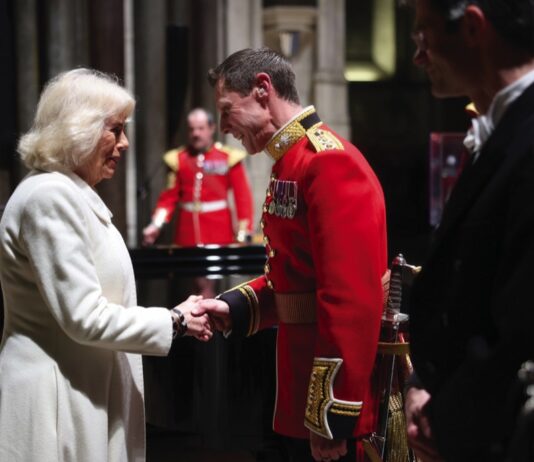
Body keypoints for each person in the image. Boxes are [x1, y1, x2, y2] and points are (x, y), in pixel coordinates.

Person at [0, 69, 212, 461]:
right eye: (115, 129)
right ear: (77, 130)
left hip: (81, 389)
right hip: (57, 402)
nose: (125, 142)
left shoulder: (70, 194)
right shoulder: (50, 197)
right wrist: (174, 321)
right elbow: (84, 316)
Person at [194, 47, 388, 461]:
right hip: (298, 387)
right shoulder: (291, 161)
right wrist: (237, 308)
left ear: (263, 89)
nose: (224, 127)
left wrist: (331, 415)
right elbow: (293, 276)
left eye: (227, 111)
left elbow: (349, 298)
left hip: (332, 403)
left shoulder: (328, 163)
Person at [402, 1, 534, 461]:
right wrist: (424, 385)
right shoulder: (501, 127)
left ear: (473, 27)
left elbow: (520, 322)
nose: (419, 57)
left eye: (424, 34)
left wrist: (447, 420)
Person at [142, 107, 254, 247]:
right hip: (186, 234)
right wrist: (156, 225)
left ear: (211, 128)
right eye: (192, 129)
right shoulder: (178, 159)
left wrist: (244, 231)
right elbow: (168, 199)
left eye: (201, 128)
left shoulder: (228, 158)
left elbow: (242, 198)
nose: (196, 133)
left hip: (219, 233)